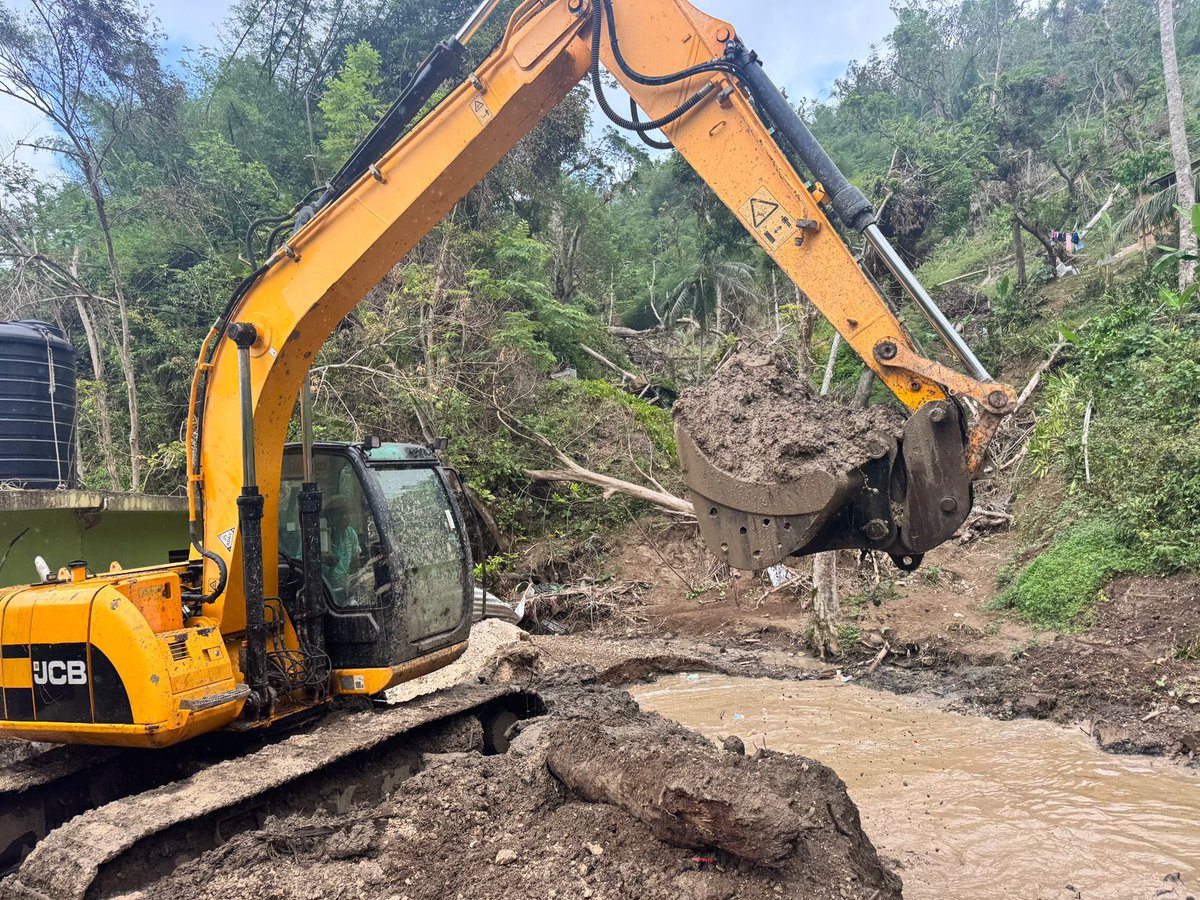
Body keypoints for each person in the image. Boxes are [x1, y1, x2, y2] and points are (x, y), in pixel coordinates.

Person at [322, 496, 360, 590]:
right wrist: (321, 558)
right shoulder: (318, 535)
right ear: (329, 517)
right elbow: (301, 562)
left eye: (346, 513)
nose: (344, 517)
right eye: (340, 513)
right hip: (324, 587)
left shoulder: (351, 533)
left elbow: (355, 563)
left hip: (345, 585)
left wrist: (352, 580)